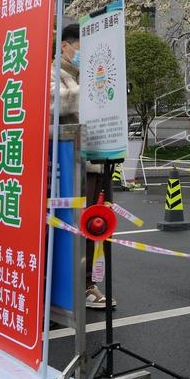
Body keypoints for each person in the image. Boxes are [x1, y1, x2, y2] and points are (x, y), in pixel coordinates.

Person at [50, 23, 113, 310]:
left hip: (96, 161)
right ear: (65, 46)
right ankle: (71, 285)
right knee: (72, 225)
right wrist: (94, 92)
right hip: (69, 164)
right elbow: (53, 106)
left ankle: (88, 282)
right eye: (81, 49)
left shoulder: (83, 76)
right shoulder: (52, 73)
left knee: (95, 224)